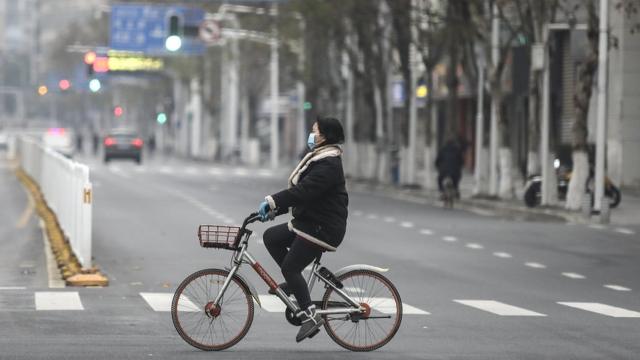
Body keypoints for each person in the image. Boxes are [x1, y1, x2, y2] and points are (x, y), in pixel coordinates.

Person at [258, 117, 348, 343]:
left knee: (290, 267)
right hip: (311, 221)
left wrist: (272, 201)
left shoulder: (329, 165)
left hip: (323, 228)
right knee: (272, 237)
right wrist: (274, 211)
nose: (311, 134)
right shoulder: (320, 159)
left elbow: (303, 192)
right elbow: (304, 197)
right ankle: (293, 284)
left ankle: (310, 316)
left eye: (314, 130)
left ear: (324, 136)